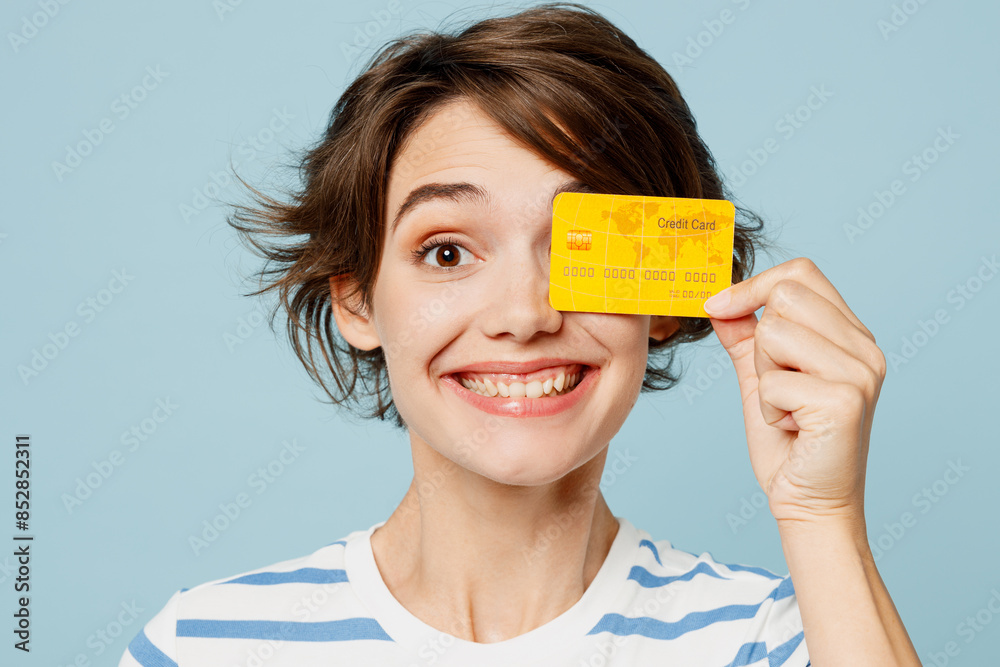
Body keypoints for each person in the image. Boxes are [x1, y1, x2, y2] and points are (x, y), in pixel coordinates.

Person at [119, 3, 919, 665]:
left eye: (580, 246)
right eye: (446, 251)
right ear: (357, 300)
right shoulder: (203, 646)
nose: (525, 313)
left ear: (667, 296)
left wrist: (821, 514)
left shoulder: (775, 637)